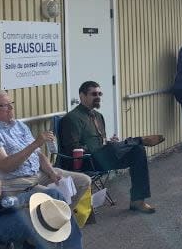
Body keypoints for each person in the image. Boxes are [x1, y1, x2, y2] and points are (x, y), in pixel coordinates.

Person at [59, 81, 165, 214]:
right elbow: (72, 148)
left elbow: (101, 141)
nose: (97, 97)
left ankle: (137, 201)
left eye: (99, 94)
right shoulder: (72, 118)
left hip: (102, 158)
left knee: (138, 151)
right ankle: (138, 140)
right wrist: (102, 148)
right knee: (119, 147)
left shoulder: (98, 116)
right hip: (86, 162)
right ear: (82, 96)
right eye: (93, 94)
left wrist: (109, 143)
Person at [0, 91, 91, 208]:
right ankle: (53, 222)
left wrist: (51, 172)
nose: (11, 107)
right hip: (15, 184)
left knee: (83, 181)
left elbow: (38, 154)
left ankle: (60, 220)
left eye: (11, 103)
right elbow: (5, 166)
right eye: (5, 105)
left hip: (38, 175)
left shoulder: (18, 125)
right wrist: (35, 144)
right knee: (54, 196)